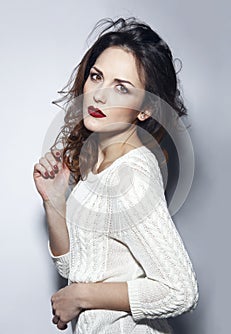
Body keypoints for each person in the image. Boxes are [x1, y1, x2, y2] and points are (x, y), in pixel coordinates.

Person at [33, 17, 199, 333]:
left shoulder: (132, 175)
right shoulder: (100, 162)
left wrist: (81, 296)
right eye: (97, 77)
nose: (99, 95)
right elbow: (78, 270)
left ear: (145, 108)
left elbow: (181, 291)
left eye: (121, 87)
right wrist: (55, 204)